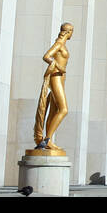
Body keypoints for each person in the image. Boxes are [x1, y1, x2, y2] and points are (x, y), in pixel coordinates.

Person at [32, 22, 73, 153]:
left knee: (54, 111)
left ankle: (48, 141)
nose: (72, 34)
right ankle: (47, 139)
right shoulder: (60, 44)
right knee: (64, 109)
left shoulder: (63, 44)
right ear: (68, 32)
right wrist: (58, 66)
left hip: (61, 78)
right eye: (72, 31)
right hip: (55, 77)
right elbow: (46, 56)